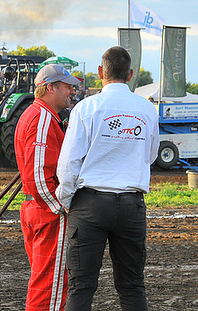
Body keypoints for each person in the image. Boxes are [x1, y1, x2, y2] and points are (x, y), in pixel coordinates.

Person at [56, 46, 160, 311]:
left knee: (81, 287)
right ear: (131, 75)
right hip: (130, 205)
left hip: (89, 203)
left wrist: (67, 200)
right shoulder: (146, 109)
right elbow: (150, 155)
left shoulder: (86, 108)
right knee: (133, 286)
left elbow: (69, 163)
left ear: (100, 72)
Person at [14, 63, 79, 311]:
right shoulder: (42, 118)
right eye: (67, 86)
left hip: (35, 206)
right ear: (50, 87)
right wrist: (59, 207)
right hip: (46, 211)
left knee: (45, 283)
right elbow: (38, 174)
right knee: (50, 288)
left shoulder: (37, 114)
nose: (71, 91)